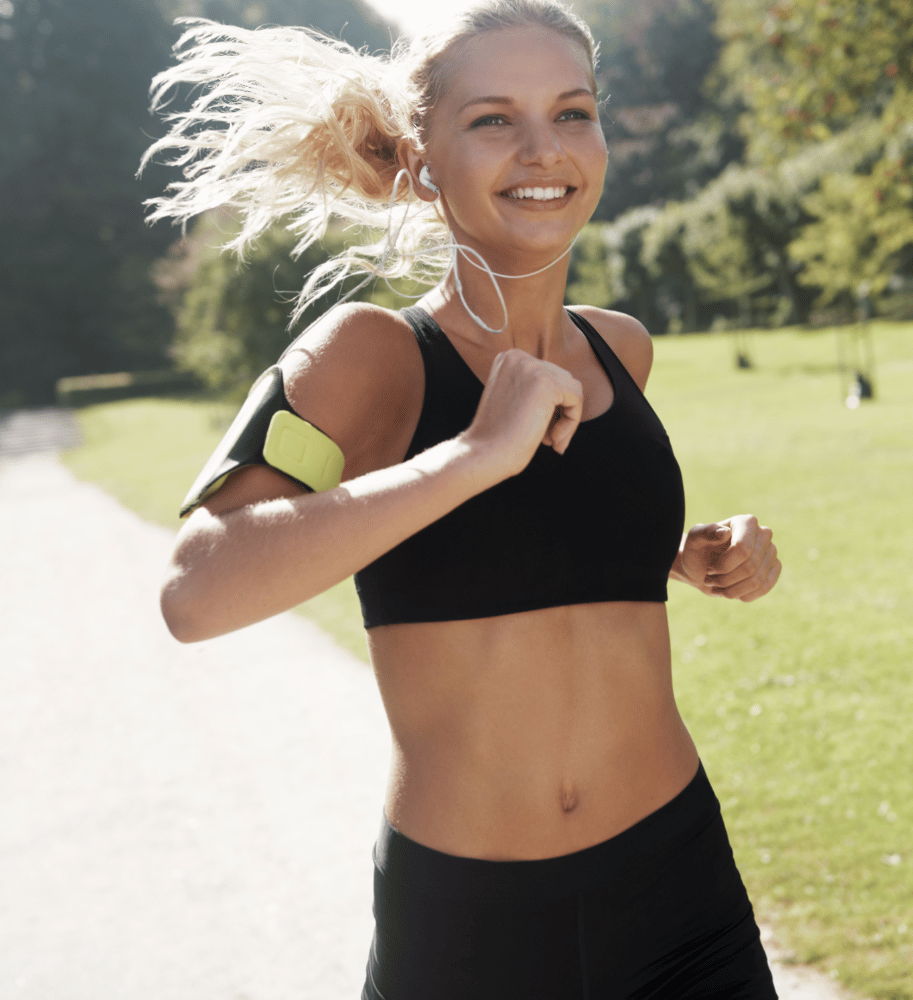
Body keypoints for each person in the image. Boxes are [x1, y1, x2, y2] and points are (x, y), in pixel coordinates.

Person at [145, 2, 782, 996]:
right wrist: (472, 453)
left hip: (681, 897)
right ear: (420, 155)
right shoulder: (367, 355)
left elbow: (539, 535)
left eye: (572, 112)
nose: (544, 148)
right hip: (473, 935)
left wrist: (678, 548)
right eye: (493, 119)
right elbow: (197, 590)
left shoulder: (622, 346)